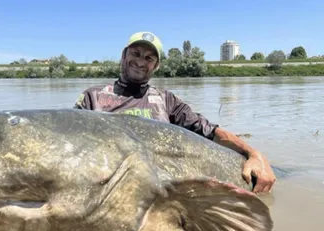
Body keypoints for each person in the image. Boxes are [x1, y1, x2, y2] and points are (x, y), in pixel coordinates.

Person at [73, 31, 276, 194]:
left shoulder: (166, 100)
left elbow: (210, 132)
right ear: (123, 55)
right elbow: (69, 143)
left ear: (156, 65)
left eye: (149, 58)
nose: (141, 62)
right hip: (106, 188)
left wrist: (254, 154)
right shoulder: (93, 96)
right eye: (135, 54)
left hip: (158, 191)